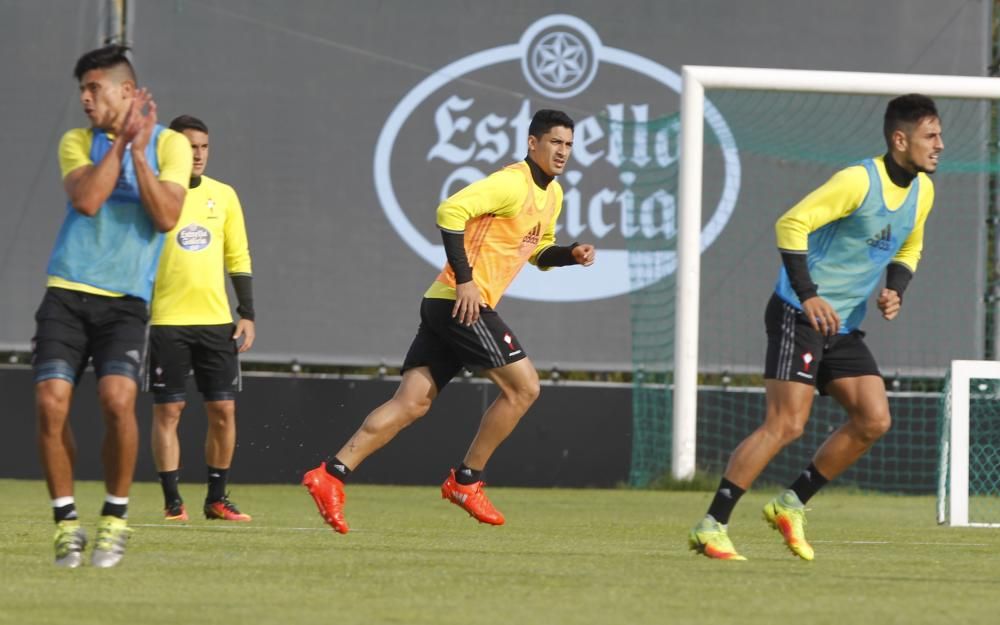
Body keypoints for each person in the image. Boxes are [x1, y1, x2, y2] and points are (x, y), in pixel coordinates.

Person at [302, 109, 596, 533]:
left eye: (568, 144)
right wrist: (466, 281)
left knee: (411, 403)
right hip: (463, 304)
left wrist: (569, 254)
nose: (563, 151)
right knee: (524, 388)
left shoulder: (552, 194)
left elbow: (537, 250)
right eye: (555, 142)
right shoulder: (512, 182)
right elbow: (450, 211)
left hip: (444, 302)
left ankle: (330, 474)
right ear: (533, 143)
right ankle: (466, 480)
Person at [689, 94, 942, 561]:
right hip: (797, 313)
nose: (940, 145)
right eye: (931, 135)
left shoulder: (923, 190)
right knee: (787, 424)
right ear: (899, 139)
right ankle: (712, 524)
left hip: (843, 325)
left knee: (874, 419)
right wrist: (808, 293)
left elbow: (910, 246)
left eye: (940, 135)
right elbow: (791, 224)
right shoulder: (857, 181)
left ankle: (790, 504)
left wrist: (896, 289)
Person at [34, 44, 191, 568]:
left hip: (125, 303)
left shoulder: (171, 146)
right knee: (51, 403)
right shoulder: (76, 142)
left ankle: (114, 519)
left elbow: (168, 216)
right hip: (67, 291)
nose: (84, 98)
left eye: (93, 88)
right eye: (81, 89)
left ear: (127, 91)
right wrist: (120, 146)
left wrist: (140, 152)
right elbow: (87, 200)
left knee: (118, 402)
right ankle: (66, 524)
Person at [146, 115, 255, 523]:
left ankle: (217, 498)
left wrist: (247, 313)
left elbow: (238, 257)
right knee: (168, 413)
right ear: (171, 149)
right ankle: (173, 502)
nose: (198, 154)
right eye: (190, 146)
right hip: (167, 321)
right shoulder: (154, 193)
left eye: (204, 146)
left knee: (223, 412)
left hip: (216, 322)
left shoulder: (224, 195)